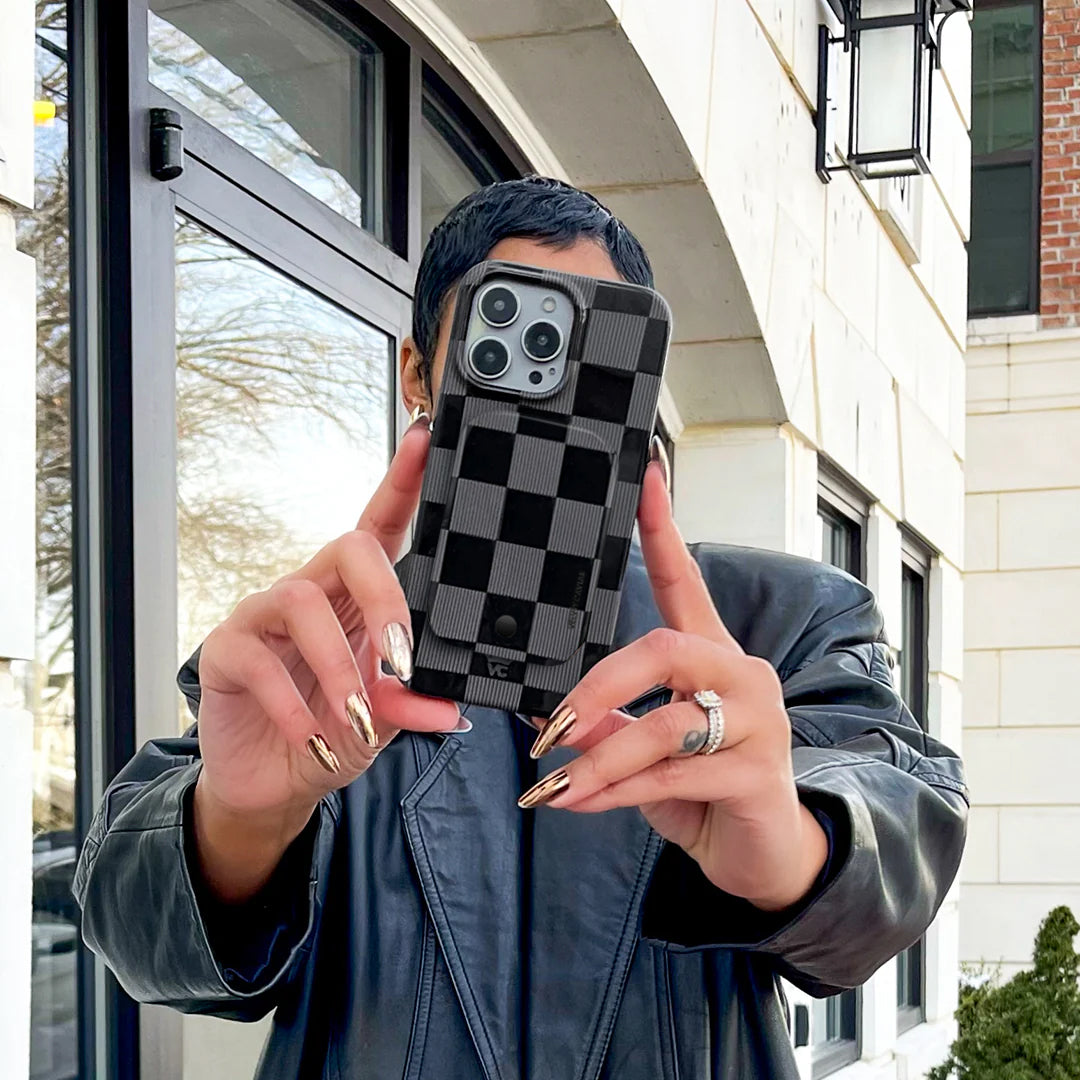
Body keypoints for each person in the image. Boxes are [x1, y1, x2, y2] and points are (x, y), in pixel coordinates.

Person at [74, 176, 967, 1080]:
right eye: (513, 346)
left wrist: (794, 847)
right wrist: (237, 825)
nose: (553, 401)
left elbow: (909, 825)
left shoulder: (777, 622)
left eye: (595, 358)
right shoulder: (319, 655)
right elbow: (130, 928)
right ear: (417, 373)